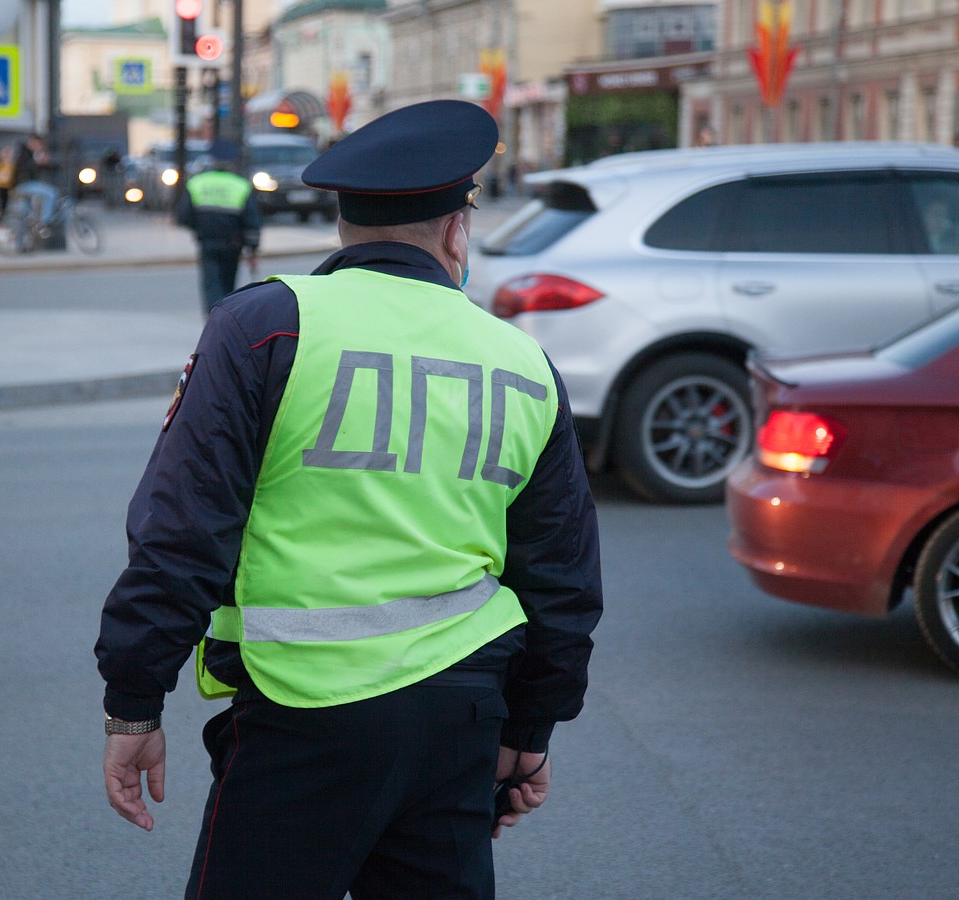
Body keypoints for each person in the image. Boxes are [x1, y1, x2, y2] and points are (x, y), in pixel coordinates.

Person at [96, 99, 603, 900]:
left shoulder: (268, 326)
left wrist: (134, 701)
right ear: (454, 230)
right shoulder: (523, 363)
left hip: (304, 714)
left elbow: (182, 531)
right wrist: (529, 732)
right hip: (460, 718)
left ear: (343, 227)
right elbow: (562, 576)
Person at [174, 139, 261, 315]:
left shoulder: (196, 183)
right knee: (229, 285)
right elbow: (252, 220)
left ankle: (213, 321)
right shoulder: (241, 185)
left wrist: (199, 228)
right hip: (233, 245)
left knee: (212, 286)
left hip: (207, 243)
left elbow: (183, 216)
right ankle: (226, 319)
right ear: (231, 163)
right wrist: (252, 248)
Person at [12, 134, 59, 233]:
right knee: (51, 193)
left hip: (31, 184)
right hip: (23, 184)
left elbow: (49, 167)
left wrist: (47, 162)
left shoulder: (35, 154)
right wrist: (36, 161)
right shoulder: (23, 153)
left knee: (26, 214)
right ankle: (45, 222)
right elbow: (22, 168)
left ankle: (23, 240)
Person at [0, 145, 16, 217]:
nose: (6, 154)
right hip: (0, 187)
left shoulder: (11, 164)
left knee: (5, 208)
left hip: (8, 188)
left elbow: (12, 176)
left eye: (8, 152)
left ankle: (1, 222)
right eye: (5, 152)